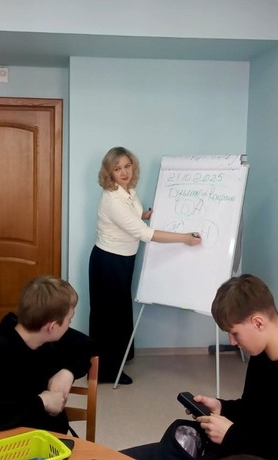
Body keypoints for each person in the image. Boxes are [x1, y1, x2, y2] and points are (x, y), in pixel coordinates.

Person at [121, 274, 278, 460]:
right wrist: (221, 407)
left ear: (258, 323)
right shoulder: (262, 356)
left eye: (235, 333)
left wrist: (232, 435)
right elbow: (254, 412)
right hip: (238, 448)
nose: (232, 342)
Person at [89, 146, 202, 384]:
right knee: (109, 317)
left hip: (122, 259)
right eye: (117, 169)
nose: (124, 172)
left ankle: (118, 361)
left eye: (127, 166)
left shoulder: (127, 191)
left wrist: (143, 215)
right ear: (109, 172)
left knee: (119, 312)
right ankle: (105, 373)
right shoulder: (112, 199)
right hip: (109, 261)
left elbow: (130, 218)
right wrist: (184, 238)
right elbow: (145, 234)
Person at [0, 275, 92, 435]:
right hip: (8, 439)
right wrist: (43, 402)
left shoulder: (43, 334)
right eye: (70, 320)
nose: (69, 325)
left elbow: (88, 345)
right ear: (52, 326)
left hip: (44, 437)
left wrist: (68, 372)